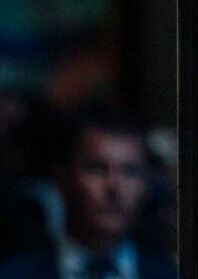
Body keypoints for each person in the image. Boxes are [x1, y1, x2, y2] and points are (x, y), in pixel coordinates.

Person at [0, 108, 176, 279]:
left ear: (146, 183)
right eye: (96, 169)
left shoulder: (171, 275)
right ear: (61, 179)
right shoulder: (14, 274)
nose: (114, 187)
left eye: (131, 171)